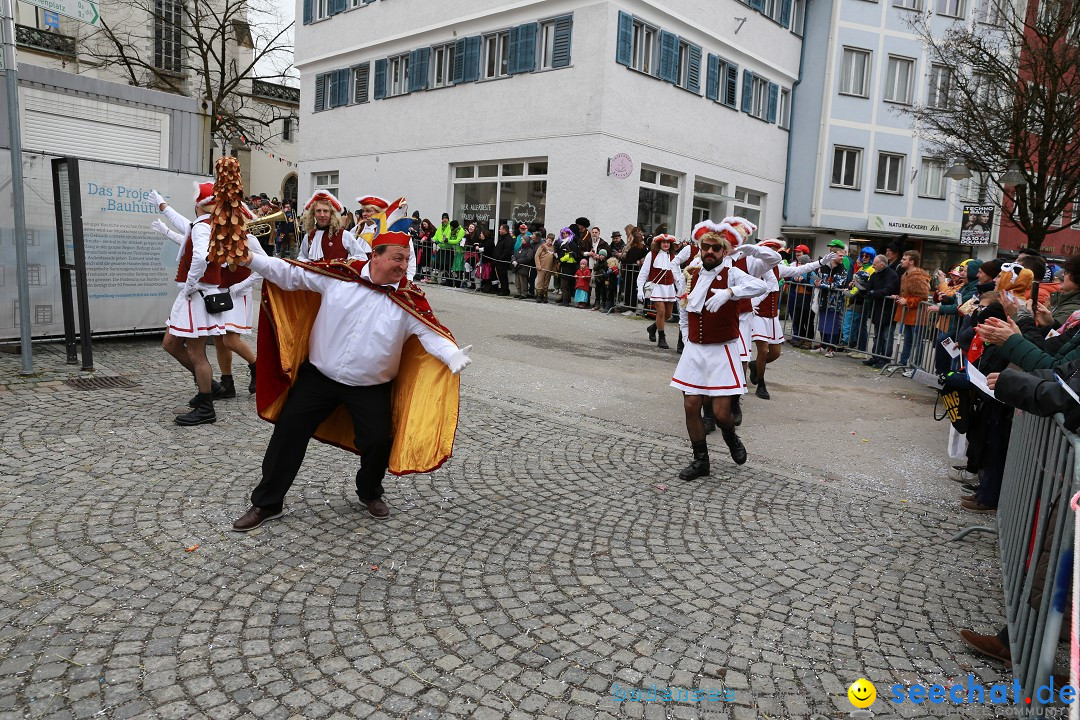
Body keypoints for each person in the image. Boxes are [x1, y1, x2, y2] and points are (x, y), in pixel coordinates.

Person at [232, 231, 473, 531]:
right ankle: (267, 503)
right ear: (375, 255)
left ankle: (370, 492)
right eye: (397, 258)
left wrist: (451, 355)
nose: (403, 265)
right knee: (289, 431)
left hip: (370, 388)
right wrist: (251, 259)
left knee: (377, 442)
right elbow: (289, 273)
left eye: (407, 259)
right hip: (319, 378)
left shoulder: (407, 300)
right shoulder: (339, 276)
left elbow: (430, 334)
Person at [672, 220, 772, 478]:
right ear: (700, 247)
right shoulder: (690, 274)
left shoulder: (733, 273)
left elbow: (762, 286)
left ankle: (731, 436)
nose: (710, 252)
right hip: (695, 349)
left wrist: (730, 292)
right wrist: (687, 337)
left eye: (716, 248)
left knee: (721, 413)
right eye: (706, 247)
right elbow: (683, 311)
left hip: (722, 350)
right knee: (691, 406)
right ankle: (701, 461)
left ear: (724, 251)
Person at [748, 239, 834, 399]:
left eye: (775, 251)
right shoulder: (754, 268)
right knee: (763, 349)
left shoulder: (778, 268)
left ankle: (755, 366)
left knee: (775, 353)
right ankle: (761, 383)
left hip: (772, 317)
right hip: (757, 314)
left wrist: (821, 262)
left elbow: (800, 269)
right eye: (770, 250)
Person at [638, 234, 683, 349]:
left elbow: (677, 275)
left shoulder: (674, 256)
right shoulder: (651, 255)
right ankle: (662, 338)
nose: (666, 244)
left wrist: (680, 290)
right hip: (657, 287)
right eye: (663, 242)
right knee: (661, 312)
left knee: (668, 314)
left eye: (668, 243)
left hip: (669, 288)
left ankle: (653, 328)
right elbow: (643, 273)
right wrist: (640, 289)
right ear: (659, 244)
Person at [892, 250, 931, 375]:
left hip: (917, 315)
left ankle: (916, 367)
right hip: (909, 314)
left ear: (911, 262)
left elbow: (923, 296)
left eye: (904, 259)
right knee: (908, 340)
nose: (901, 261)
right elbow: (908, 294)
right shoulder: (906, 275)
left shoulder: (916, 277)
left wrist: (907, 301)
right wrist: (899, 296)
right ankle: (903, 363)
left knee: (917, 342)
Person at [296, 192, 366, 262]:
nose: (322, 214)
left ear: (332, 214)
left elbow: (361, 257)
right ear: (313, 213)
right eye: (318, 211)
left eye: (325, 211)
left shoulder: (344, 235)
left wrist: (345, 263)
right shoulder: (308, 236)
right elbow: (302, 257)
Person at [556, 228, 580, 305]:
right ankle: (566, 299)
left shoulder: (571, 243)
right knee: (564, 284)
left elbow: (574, 256)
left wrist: (562, 258)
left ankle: (565, 301)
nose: (564, 235)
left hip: (569, 266)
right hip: (563, 265)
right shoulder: (562, 242)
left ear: (569, 234)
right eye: (563, 233)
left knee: (564, 285)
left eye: (566, 233)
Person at [534, 234, 558, 303]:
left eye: (551, 241)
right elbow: (536, 256)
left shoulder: (553, 248)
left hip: (549, 268)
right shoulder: (542, 246)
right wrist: (538, 265)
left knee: (546, 282)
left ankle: (545, 295)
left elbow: (554, 259)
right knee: (540, 281)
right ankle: (539, 295)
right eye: (549, 240)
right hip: (541, 267)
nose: (549, 242)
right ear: (546, 239)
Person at [513, 232, 536, 298]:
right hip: (517, 267)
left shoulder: (529, 250)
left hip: (523, 268)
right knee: (517, 281)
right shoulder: (520, 248)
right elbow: (515, 255)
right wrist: (513, 260)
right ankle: (518, 292)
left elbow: (528, 258)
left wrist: (518, 261)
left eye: (522, 239)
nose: (521, 240)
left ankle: (524, 293)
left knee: (523, 281)